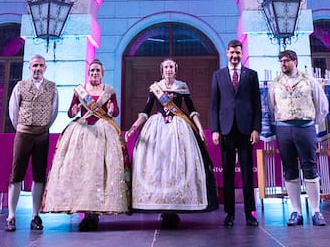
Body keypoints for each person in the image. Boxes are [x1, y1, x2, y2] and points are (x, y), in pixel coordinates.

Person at [126, 59, 217, 227]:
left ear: (175, 70)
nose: (168, 69)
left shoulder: (182, 87)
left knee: (178, 167)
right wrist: (134, 127)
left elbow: (192, 110)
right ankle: (161, 206)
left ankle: (174, 207)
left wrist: (199, 128)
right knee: (158, 167)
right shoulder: (155, 88)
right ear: (162, 70)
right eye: (166, 67)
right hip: (157, 129)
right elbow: (146, 111)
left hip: (180, 129)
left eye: (171, 67)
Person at [41, 60, 130, 230]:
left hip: (103, 133)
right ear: (88, 73)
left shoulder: (109, 91)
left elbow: (115, 111)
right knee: (82, 172)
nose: (95, 73)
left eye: (97, 70)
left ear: (102, 73)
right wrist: (73, 111)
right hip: (82, 132)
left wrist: (112, 110)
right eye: (92, 70)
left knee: (98, 172)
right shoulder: (80, 91)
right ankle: (85, 212)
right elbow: (70, 111)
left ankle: (95, 213)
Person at [266, 49, 330, 226]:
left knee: (309, 166)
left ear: (295, 61)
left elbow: (322, 104)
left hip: (305, 128)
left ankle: (316, 211)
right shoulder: (276, 84)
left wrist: (311, 122)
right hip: (284, 129)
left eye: (286, 61)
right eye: (280, 61)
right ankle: (296, 211)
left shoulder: (309, 81)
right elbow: (271, 106)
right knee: (290, 169)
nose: (283, 64)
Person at [210, 39, 261, 227]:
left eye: (238, 53)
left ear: (241, 53)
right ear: (226, 53)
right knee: (228, 174)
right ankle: (229, 213)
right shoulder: (218, 75)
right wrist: (214, 129)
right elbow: (214, 105)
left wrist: (256, 128)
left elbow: (257, 104)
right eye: (231, 53)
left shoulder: (251, 75)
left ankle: (250, 213)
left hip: (247, 130)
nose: (234, 56)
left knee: (248, 173)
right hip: (226, 129)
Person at [4, 54, 57, 232]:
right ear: (29, 67)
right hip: (23, 133)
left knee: (39, 174)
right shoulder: (20, 86)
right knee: (16, 173)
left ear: (45, 68)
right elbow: (13, 110)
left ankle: (35, 215)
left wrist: (43, 126)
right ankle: (11, 216)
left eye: (41, 66)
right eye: (35, 65)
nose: (38, 69)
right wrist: (22, 126)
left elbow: (54, 110)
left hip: (42, 134)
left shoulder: (51, 87)